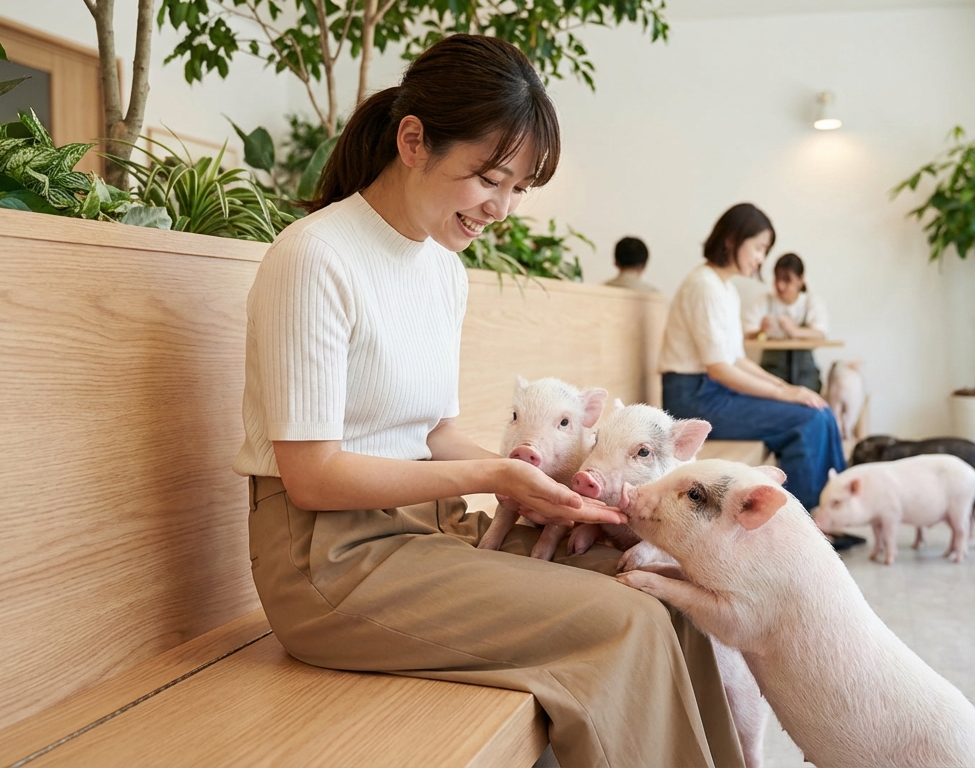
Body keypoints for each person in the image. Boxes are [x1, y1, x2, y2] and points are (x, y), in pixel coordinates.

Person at [234, 35, 743, 767]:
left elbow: (435, 434)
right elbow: (311, 476)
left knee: (660, 590)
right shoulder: (314, 256)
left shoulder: (443, 269)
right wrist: (497, 476)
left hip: (425, 538)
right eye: (491, 180)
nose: (502, 209)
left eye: (519, 189)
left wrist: (545, 486)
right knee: (623, 624)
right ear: (414, 140)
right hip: (329, 565)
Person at [659, 203, 846, 516]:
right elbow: (719, 369)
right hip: (693, 397)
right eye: (759, 247)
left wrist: (788, 388)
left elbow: (737, 360)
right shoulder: (703, 285)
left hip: (711, 390)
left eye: (765, 250)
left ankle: (832, 509)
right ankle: (804, 521)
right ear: (732, 239)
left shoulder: (725, 289)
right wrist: (786, 393)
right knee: (808, 420)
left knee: (820, 409)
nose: (761, 258)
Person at [743, 252, 830, 392]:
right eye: (777, 279)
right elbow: (747, 335)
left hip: (805, 374)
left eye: (787, 280)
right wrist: (761, 331)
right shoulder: (764, 301)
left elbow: (821, 335)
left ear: (801, 280)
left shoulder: (811, 302)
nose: (780, 286)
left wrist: (794, 331)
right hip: (771, 371)